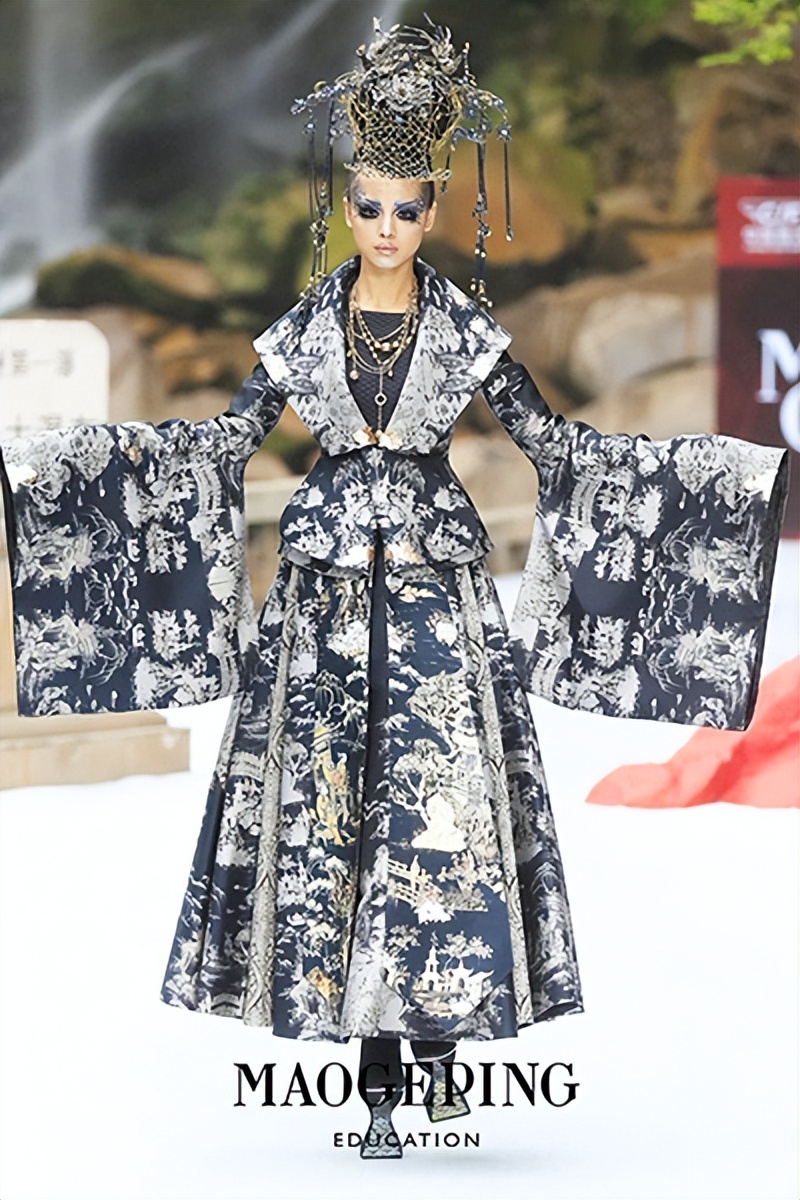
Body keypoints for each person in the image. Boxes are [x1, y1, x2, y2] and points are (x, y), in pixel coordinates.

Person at [0, 19, 789, 1161]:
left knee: (442, 815)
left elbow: (554, 446)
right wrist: (65, 465)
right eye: (367, 206)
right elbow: (220, 444)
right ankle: (373, 1074)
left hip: (436, 601)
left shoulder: (465, 329)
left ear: (429, 212)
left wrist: (717, 477)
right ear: (347, 206)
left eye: (405, 209)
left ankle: (443, 1049)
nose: (383, 227)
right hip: (319, 603)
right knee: (331, 820)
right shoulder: (301, 330)